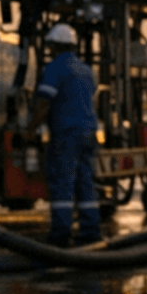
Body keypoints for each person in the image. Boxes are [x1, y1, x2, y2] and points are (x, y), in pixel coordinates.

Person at [28, 23, 101, 246]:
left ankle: (60, 236)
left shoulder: (54, 69)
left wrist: (31, 128)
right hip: (89, 133)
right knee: (85, 183)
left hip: (66, 134)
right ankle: (90, 232)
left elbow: (43, 103)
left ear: (53, 45)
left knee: (63, 184)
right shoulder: (86, 70)